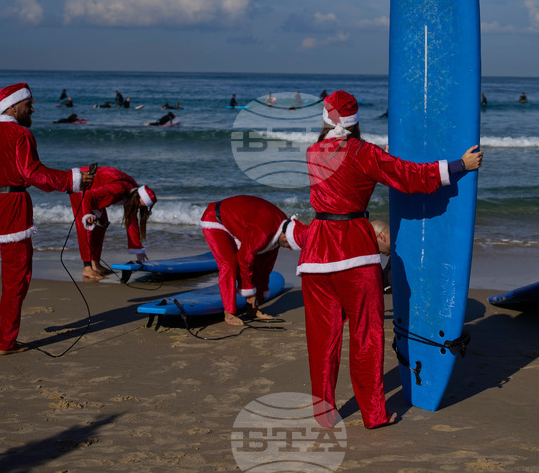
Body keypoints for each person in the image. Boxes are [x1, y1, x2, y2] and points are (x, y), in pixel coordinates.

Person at [300, 91, 483, 429]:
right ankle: (373, 414)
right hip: (354, 252)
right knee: (366, 338)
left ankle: (323, 413)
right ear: (356, 122)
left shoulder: (313, 152)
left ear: (325, 119)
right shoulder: (363, 152)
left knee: (322, 341)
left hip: (315, 256)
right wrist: (460, 165)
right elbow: (410, 176)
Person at [0, 83, 91, 355]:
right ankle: (5, 343)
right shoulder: (20, 134)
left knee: (12, 276)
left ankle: (6, 338)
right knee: (16, 278)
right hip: (12, 211)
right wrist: (73, 180)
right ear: (14, 106)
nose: (32, 109)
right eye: (29, 104)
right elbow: (33, 173)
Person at [198, 195, 302, 325]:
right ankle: (229, 313)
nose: (289, 249)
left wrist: (258, 298)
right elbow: (244, 259)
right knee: (230, 265)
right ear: (284, 236)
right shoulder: (263, 233)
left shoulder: (280, 229)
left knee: (261, 266)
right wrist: (248, 291)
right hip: (215, 218)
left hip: (237, 223)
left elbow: (264, 269)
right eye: (290, 246)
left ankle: (253, 310)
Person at [70, 167, 156, 279]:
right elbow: (87, 196)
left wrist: (138, 250)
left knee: (102, 224)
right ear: (138, 197)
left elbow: (132, 222)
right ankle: (87, 268)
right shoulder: (118, 189)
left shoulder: (133, 194)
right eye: (141, 206)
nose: (139, 208)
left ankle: (95, 264)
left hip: (94, 190)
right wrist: (87, 215)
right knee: (88, 227)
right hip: (81, 186)